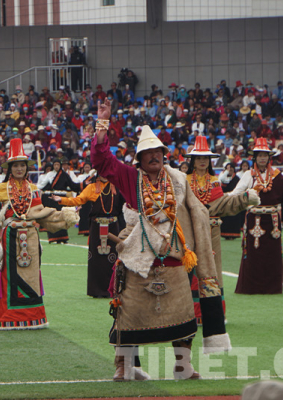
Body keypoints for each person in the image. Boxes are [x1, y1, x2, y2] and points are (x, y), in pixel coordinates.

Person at [92, 100, 230, 382]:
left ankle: (183, 367)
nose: (154, 156)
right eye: (147, 152)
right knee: (128, 313)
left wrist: (202, 253)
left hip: (174, 257)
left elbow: (199, 213)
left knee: (182, 313)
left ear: (165, 155)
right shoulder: (131, 178)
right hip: (138, 259)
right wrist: (103, 125)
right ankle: (125, 367)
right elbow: (103, 162)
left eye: (158, 151)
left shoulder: (179, 179)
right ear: (139, 159)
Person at [0, 139, 78, 330]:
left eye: (22, 166)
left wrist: (65, 215)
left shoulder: (34, 189)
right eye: (15, 166)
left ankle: (33, 317)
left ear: (27, 168)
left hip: (31, 238)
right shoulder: (2, 189)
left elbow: (40, 212)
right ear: (10, 168)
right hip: (10, 237)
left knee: (31, 277)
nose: (19, 169)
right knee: (9, 277)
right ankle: (8, 317)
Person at [184, 136, 259, 324]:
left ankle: (213, 313)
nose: (202, 161)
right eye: (199, 158)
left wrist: (244, 198)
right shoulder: (183, 181)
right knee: (189, 271)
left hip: (211, 234)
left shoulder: (214, 182)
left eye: (205, 158)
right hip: (190, 233)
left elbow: (222, 205)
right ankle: (190, 313)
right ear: (192, 160)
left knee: (212, 272)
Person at [229, 138, 283, 295]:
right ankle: (252, 287)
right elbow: (235, 194)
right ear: (255, 157)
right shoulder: (248, 175)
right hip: (254, 220)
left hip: (273, 222)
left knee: (272, 255)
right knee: (254, 255)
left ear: (269, 157)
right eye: (260, 155)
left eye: (265, 155)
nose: (263, 158)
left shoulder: (277, 176)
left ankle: (272, 288)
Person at [51, 174, 125, 298]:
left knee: (113, 258)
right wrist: (61, 200)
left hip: (113, 226)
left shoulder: (118, 187)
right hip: (96, 226)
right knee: (95, 260)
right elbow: (78, 200)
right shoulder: (91, 188)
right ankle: (96, 291)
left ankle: (113, 290)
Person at [37, 159, 80, 243]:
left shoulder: (64, 175)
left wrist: (83, 185)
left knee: (62, 216)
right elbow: (42, 185)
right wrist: (32, 186)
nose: (56, 166)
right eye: (55, 165)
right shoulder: (49, 174)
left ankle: (63, 237)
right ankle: (53, 237)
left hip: (61, 198)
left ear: (60, 165)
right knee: (52, 216)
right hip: (52, 198)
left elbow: (72, 185)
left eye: (58, 165)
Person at [219, 163, 243, 239]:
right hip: (225, 200)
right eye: (228, 169)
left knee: (234, 218)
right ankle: (225, 234)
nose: (230, 170)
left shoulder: (237, 179)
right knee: (226, 218)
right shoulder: (222, 178)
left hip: (234, 200)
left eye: (231, 169)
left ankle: (234, 234)